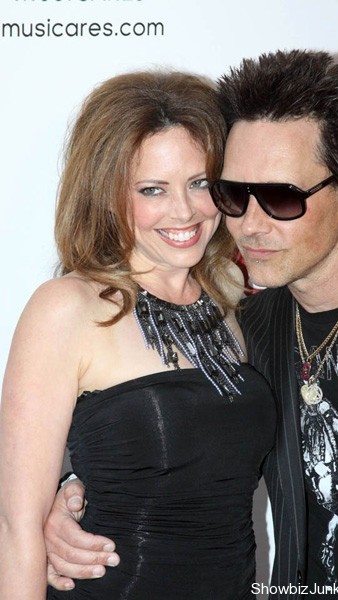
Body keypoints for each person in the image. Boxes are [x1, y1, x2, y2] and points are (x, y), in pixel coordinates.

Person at [45, 50, 338, 599]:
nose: (249, 225)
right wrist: (72, 492)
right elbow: (170, 435)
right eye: (233, 194)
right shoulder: (247, 326)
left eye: (281, 197)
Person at [0, 70, 276, 599]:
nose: (185, 211)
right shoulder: (66, 310)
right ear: (107, 195)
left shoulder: (234, 302)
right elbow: (17, 530)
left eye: (200, 183)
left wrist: (71, 488)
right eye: (153, 189)